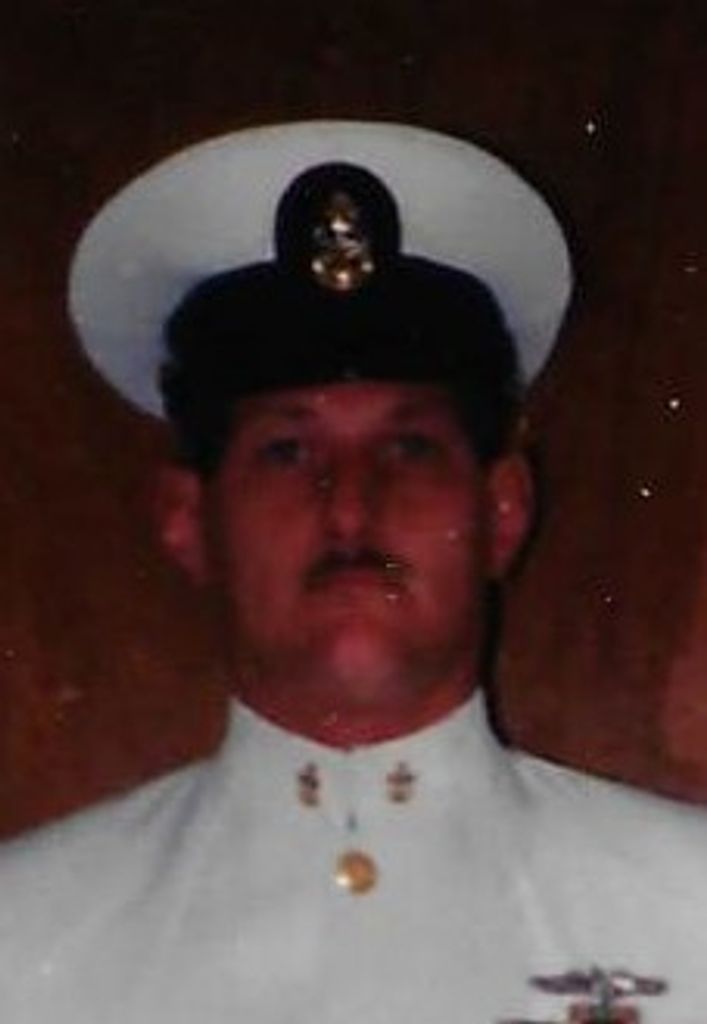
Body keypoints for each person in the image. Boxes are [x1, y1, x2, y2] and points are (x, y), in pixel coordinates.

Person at [0, 121, 705, 1024]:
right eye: (287, 452)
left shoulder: (686, 917)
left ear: (500, 512)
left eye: (409, 448)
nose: (349, 505)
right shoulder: (29, 940)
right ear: (188, 522)